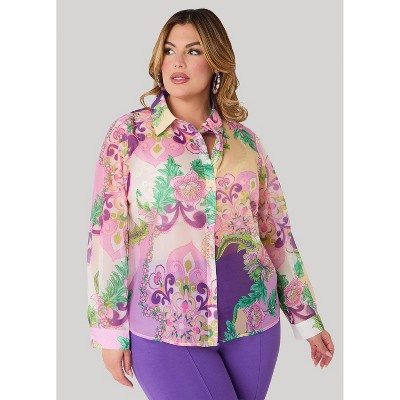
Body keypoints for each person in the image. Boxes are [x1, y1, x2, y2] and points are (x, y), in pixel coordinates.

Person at [86, 8, 335, 399]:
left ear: (217, 61)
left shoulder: (246, 142)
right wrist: (108, 330)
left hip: (252, 323)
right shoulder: (129, 135)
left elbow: (276, 233)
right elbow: (107, 233)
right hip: (165, 326)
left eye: (193, 50)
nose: (177, 62)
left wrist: (307, 318)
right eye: (169, 50)